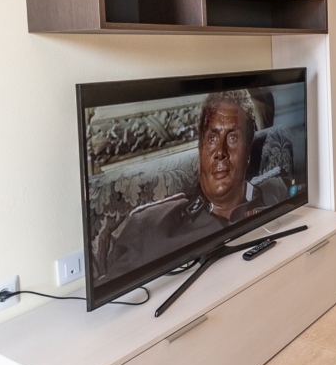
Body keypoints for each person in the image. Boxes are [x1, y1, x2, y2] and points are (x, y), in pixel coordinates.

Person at [98, 90, 288, 283]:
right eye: (212, 138)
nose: (220, 152)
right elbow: (112, 297)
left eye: (232, 138)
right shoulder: (148, 228)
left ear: (248, 150)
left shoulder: (274, 191)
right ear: (200, 150)